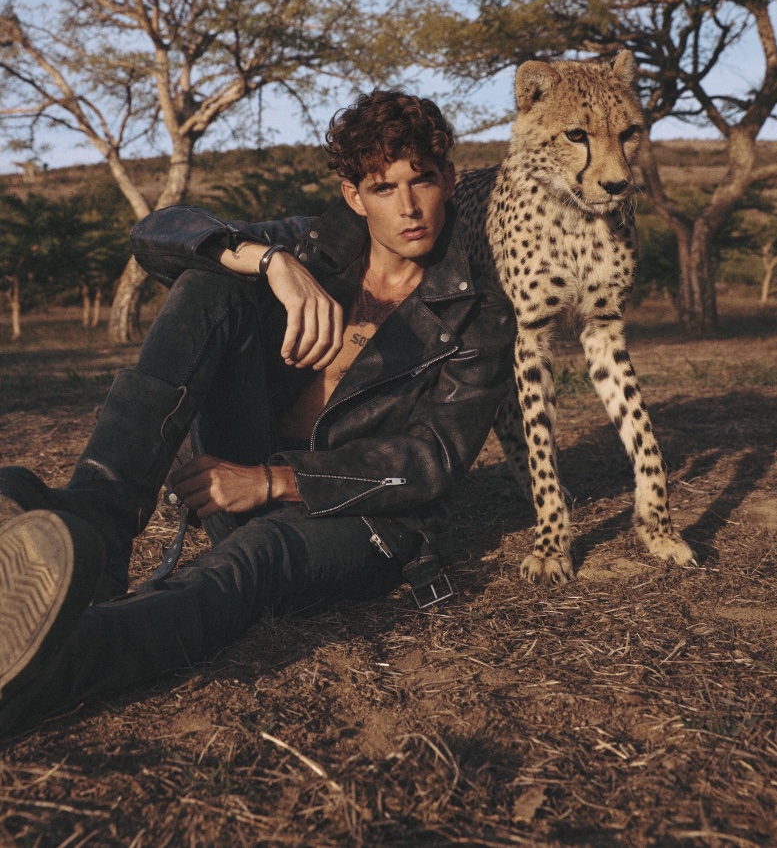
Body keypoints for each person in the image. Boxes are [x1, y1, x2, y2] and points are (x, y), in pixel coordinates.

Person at [0, 89, 515, 737]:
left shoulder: (479, 308)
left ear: (449, 178)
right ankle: (98, 525)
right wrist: (273, 262)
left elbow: (432, 459)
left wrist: (271, 481)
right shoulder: (318, 244)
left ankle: (47, 669)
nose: (409, 206)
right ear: (355, 195)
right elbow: (156, 235)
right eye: (384, 187)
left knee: (256, 560)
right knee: (213, 276)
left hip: (362, 517)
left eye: (423, 180)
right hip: (244, 473)